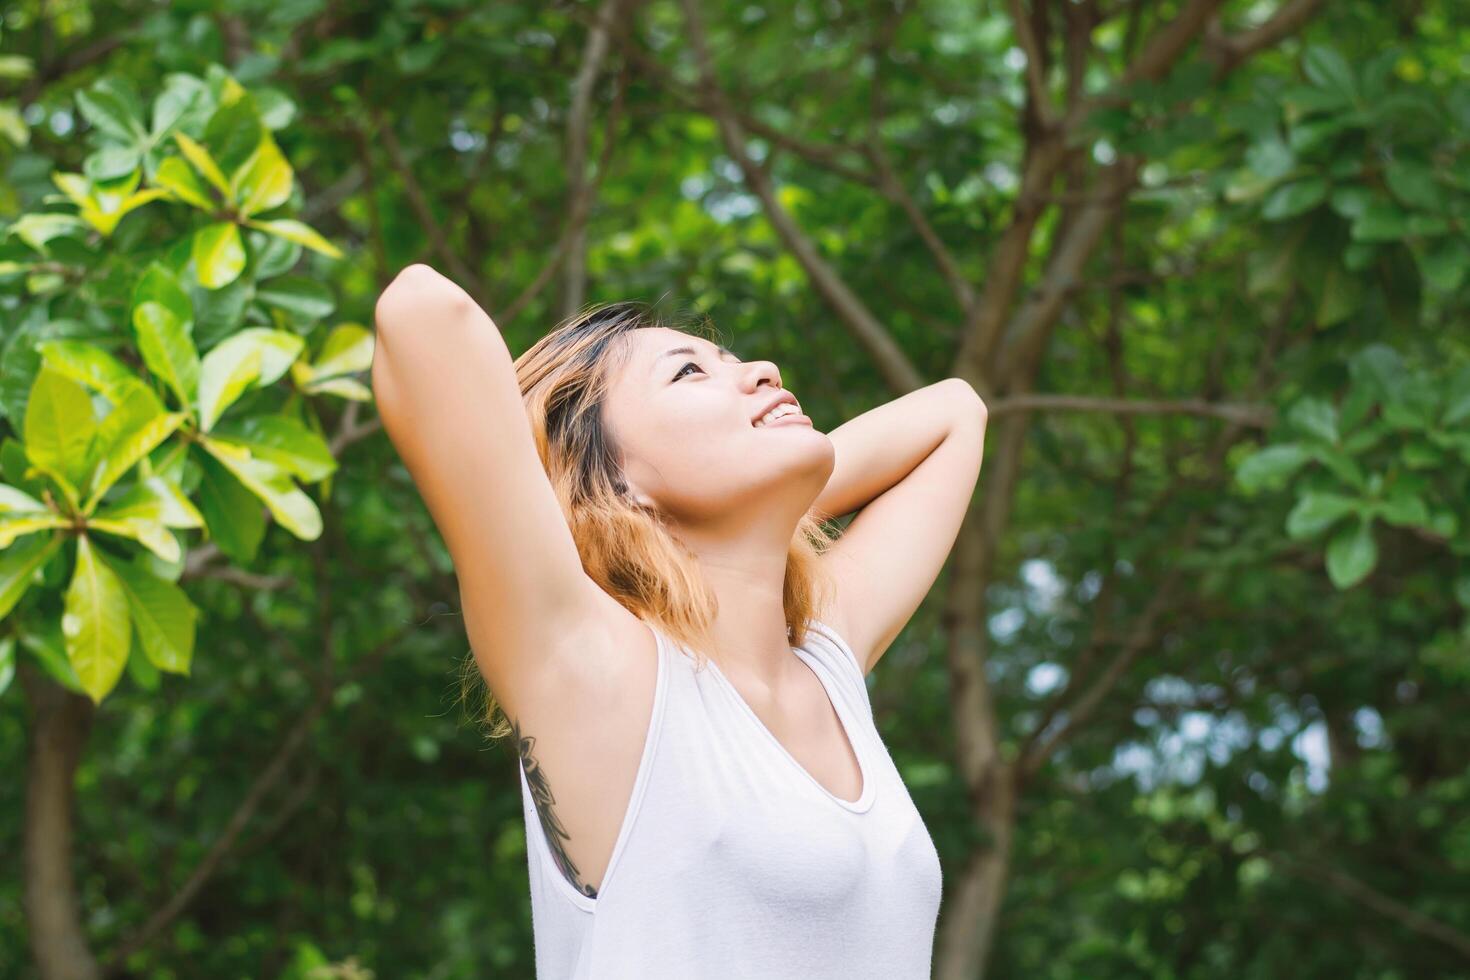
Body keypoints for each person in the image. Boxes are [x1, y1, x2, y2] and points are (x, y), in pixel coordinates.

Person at [371, 263, 988, 979]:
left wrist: (764, 512)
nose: (762, 370)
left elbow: (955, 410)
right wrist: (650, 510)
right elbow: (420, 309)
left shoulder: (825, 660)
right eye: (690, 372)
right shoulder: (602, 673)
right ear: (613, 478)